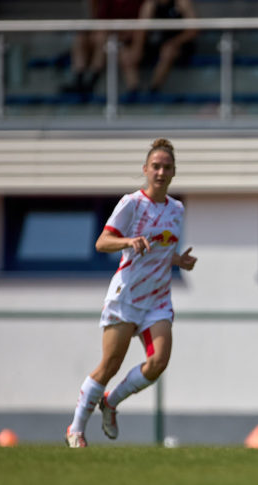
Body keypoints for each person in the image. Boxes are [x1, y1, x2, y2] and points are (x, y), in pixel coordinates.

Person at [65, 138, 197, 448]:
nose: (161, 172)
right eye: (156, 166)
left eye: (166, 167)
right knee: (109, 366)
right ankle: (75, 429)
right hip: (126, 297)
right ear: (145, 170)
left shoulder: (177, 209)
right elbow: (102, 242)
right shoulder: (132, 204)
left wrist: (179, 260)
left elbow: (160, 248)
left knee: (158, 362)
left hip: (157, 300)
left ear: (174, 172)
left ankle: (110, 404)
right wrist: (128, 241)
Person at [120, 0, 198, 95]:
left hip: (179, 43)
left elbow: (194, 29)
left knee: (168, 50)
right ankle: (134, 90)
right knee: (126, 54)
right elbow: (141, 29)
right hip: (157, 43)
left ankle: (154, 89)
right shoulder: (150, 5)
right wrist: (137, 48)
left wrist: (174, 42)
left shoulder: (182, 2)